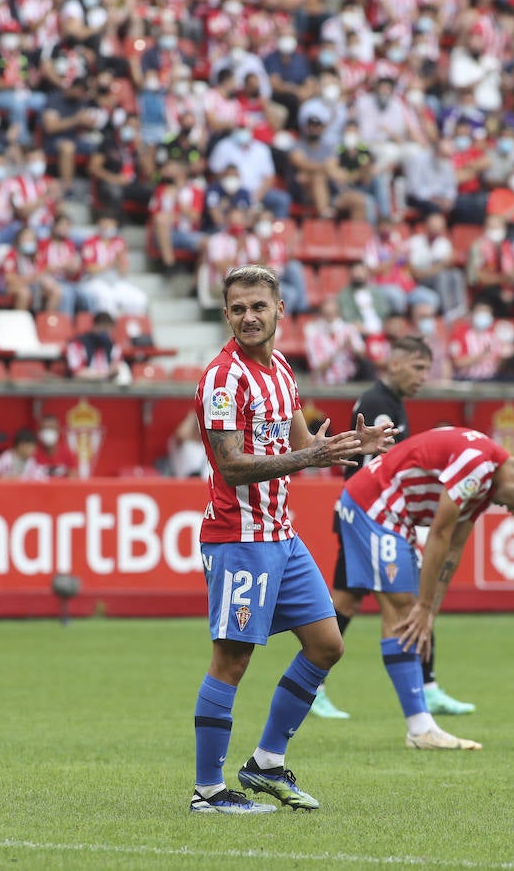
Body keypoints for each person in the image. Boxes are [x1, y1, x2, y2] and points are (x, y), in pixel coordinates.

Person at [190, 264, 395, 814]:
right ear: (226, 314)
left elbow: (303, 443)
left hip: (281, 534)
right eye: (238, 308)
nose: (249, 317)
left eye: (259, 306)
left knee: (328, 644)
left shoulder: (280, 368)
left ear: (281, 310)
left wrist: (356, 442)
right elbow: (231, 466)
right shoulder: (221, 379)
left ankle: (265, 764)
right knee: (231, 659)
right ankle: (207, 792)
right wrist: (314, 455)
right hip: (239, 536)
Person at [345, 428, 514, 749]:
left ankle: (419, 727)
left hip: (394, 517)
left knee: (399, 610)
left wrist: (431, 612)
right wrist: (422, 607)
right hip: (374, 504)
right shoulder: (477, 464)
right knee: (404, 609)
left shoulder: (487, 483)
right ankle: (420, 729)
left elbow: (454, 548)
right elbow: (439, 533)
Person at [313, 336, 477, 721]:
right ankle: (316, 686)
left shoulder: (389, 402)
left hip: (371, 516)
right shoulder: (376, 404)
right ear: (395, 364)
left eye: (427, 368)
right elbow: (375, 466)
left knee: (350, 600)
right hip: (374, 518)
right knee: (402, 595)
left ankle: (426, 685)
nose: (424, 377)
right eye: (419, 368)